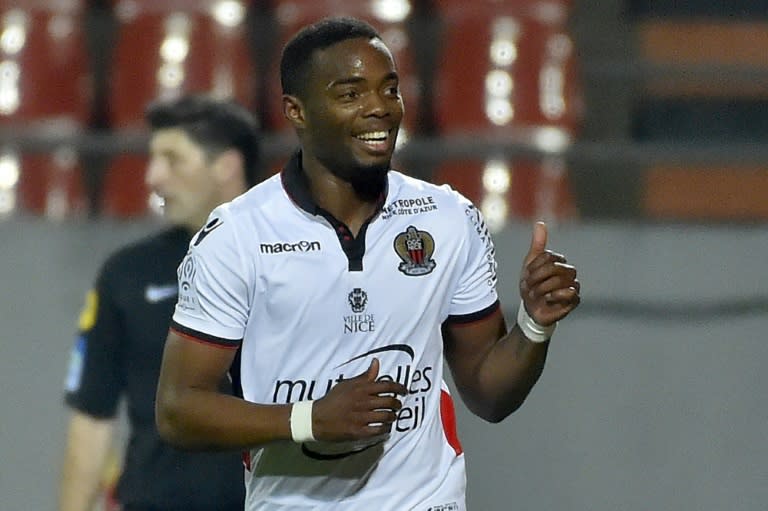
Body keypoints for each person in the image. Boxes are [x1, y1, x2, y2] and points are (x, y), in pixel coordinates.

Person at [155, 17, 581, 511]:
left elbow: (489, 394)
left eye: (390, 89)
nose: (379, 108)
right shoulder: (237, 237)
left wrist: (533, 325)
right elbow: (177, 410)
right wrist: (310, 419)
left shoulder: (448, 219)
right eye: (351, 94)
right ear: (297, 111)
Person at [59, 94, 261, 511]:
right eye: (153, 159)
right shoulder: (127, 274)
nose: (152, 177)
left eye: (173, 159)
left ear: (226, 165)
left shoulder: (299, 263)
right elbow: (92, 418)